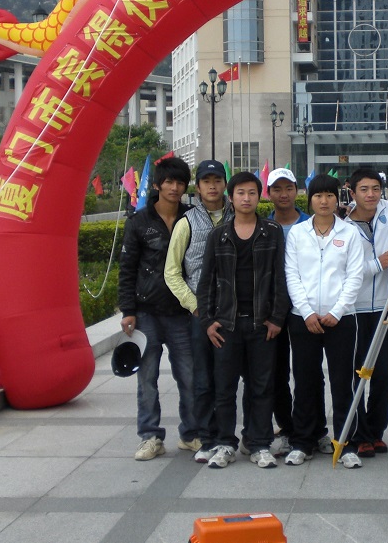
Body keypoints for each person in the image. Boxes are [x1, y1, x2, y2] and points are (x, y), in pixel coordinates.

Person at [199, 171, 290, 470]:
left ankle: (258, 443)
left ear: (259, 196)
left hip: (262, 324)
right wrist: (208, 321)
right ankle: (225, 443)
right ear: (231, 197)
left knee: (261, 387)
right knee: (224, 388)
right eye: (240, 193)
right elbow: (206, 282)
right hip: (227, 325)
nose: (246, 198)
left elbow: (280, 277)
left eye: (252, 193)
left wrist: (276, 317)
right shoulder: (219, 235)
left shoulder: (272, 232)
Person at [118, 156, 199, 461]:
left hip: (181, 313)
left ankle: (191, 434)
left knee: (189, 376)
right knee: (147, 378)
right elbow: (127, 269)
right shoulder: (139, 222)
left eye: (180, 182)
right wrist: (128, 310)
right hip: (147, 312)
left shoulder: (193, 218)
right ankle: (150, 436)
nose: (174, 188)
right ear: (157, 185)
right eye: (169, 182)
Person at [284, 174, 365, 469]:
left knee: (343, 383)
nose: (324, 201)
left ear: (337, 198)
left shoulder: (350, 233)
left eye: (330, 195)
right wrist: (306, 312)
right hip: (303, 319)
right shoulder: (298, 233)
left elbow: (355, 276)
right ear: (310, 199)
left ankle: (346, 444)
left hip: (341, 320)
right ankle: (303, 442)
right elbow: (292, 275)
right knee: (305, 381)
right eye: (318, 195)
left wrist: (338, 311)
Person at [164, 159, 233, 464]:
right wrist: (194, 306)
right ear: (198, 187)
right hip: (200, 314)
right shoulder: (187, 223)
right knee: (203, 379)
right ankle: (207, 437)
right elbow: (172, 272)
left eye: (217, 180)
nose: (212, 186)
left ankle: (232, 437)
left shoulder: (240, 216)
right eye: (207, 181)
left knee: (230, 379)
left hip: (235, 313)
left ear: (225, 184)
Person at [343, 167, 388, 458]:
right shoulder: (343, 228)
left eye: (376, 189)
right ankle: (360, 434)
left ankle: (376, 432)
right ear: (352, 192)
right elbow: (345, 272)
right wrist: (377, 264)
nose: (371, 195)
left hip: (386, 309)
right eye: (364, 189)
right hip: (356, 310)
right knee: (357, 374)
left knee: (385, 375)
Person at [264, 167, 310, 456]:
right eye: (277, 189)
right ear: (268, 194)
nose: (284, 194)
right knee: (277, 372)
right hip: (275, 311)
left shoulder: (311, 224)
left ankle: (311, 428)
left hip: (305, 309)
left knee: (307, 373)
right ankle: (286, 426)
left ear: (297, 190)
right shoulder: (263, 226)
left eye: (289, 188)